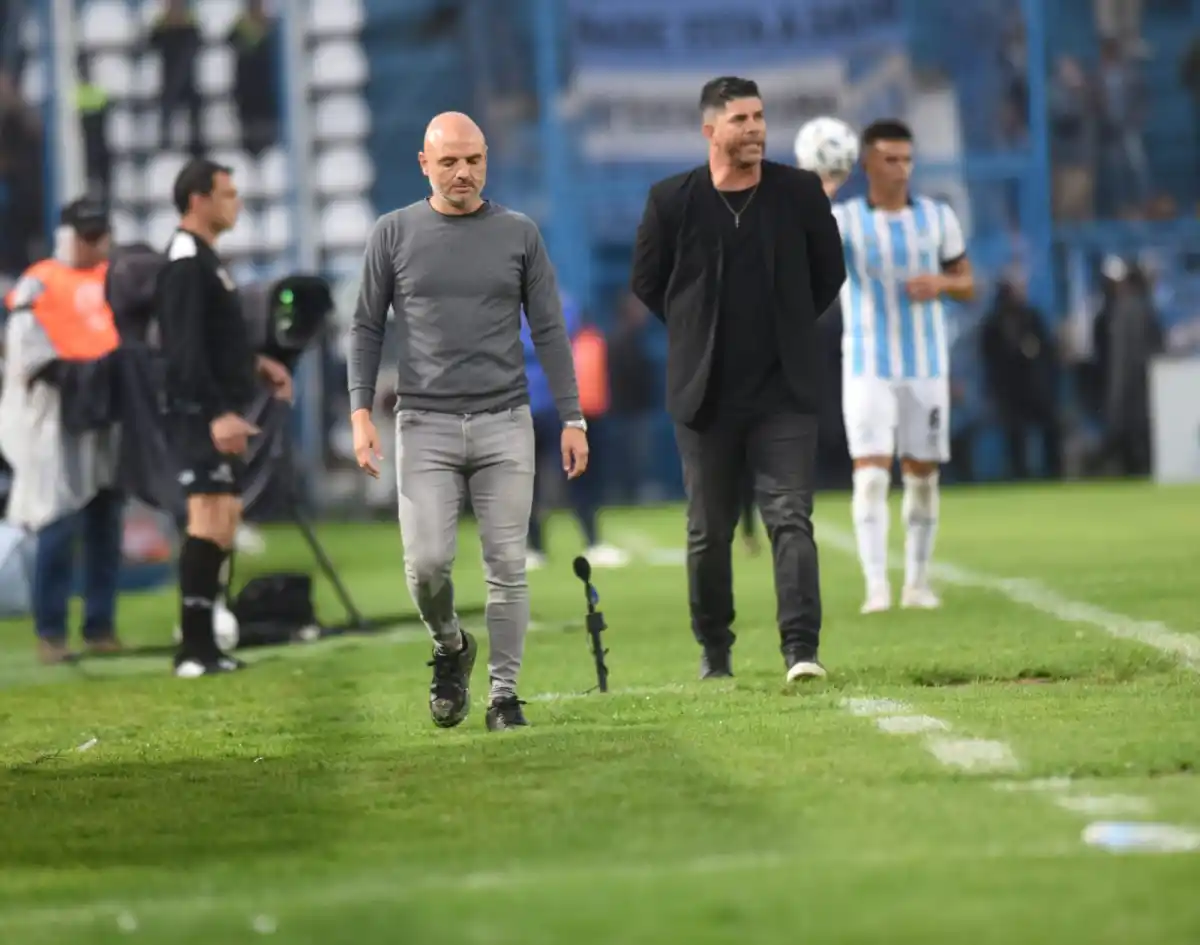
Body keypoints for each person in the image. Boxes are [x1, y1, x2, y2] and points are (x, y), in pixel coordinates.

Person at [347, 111, 588, 732]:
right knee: (426, 566)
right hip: (423, 423)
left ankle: (504, 697)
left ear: (487, 160)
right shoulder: (393, 233)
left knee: (507, 566)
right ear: (424, 164)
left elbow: (551, 330)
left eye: (473, 159)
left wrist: (572, 416)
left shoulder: (519, 233)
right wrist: (359, 411)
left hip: (505, 422)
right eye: (449, 161)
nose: (463, 172)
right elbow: (367, 325)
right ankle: (451, 646)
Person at [630, 76, 845, 683]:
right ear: (710, 131)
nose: (754, 129)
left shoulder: (798, 192)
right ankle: (715, 653)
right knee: (707, 532)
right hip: (706, 396)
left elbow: (829, 272)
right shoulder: (672, 201)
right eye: (740, 120)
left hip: (785, 392)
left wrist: (791, 326)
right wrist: (695, 326)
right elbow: (649, 282)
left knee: (790, 519)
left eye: (758, 117)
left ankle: (801, 649)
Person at [822, 119, 975, 614]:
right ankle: (875, 588)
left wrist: (943, 285)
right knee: (869, 474)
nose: (901, 169)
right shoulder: (846, 220)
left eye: (907, 159)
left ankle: (917, 583)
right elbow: (806, 252)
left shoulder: (937, 217)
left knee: (922, 475)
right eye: (890, 159)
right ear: (867, 163)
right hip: (867, 365)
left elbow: (968, 283)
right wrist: (822, 190)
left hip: (926, 366)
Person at [155, 157, 293, 677]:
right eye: (227, 194)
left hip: (217, 406)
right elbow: (183, 351)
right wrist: (216, 415)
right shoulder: (186, 262)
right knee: (208, 519)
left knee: (224, 521)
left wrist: (259, 365)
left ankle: (206, 644)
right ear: (198, 200)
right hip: (198, 413)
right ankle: (192, 648)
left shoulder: (206, 259)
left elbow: (212, 339)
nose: (234, 203)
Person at [0, 198, 124, 664]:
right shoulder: (40, 282)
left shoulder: (113, 276)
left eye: (99, 234)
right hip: (55, 419)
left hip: (105, 414)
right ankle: (50, 632)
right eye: (86, 234)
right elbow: (28, 353)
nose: (94, 243)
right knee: (57, 519)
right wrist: (80, 379)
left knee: (105, 518)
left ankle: (100, 625)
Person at [523, 293, 628, 570]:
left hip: (532, 405)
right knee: (568, 477)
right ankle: (582, 543)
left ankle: (536, 548)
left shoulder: (504, 305)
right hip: (544, 405)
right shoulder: (559, 304)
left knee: (537, 480)